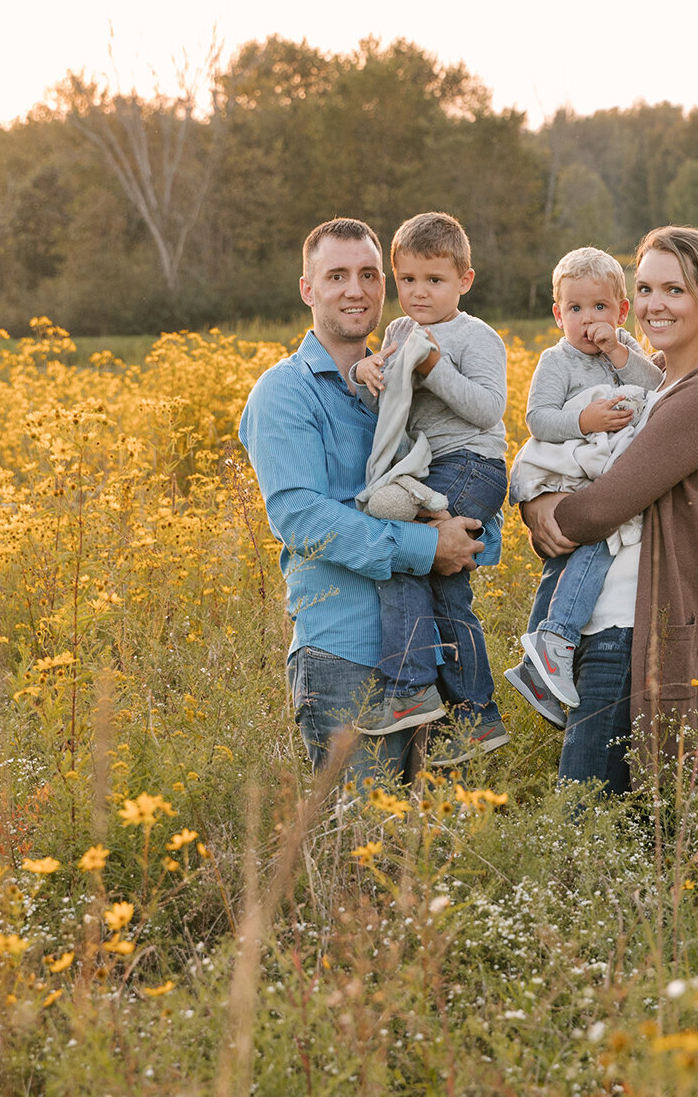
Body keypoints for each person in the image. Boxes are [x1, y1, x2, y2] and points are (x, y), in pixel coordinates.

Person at [239, 217, 485, 788]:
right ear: (308, 289)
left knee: (425, 861)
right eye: (337, 275)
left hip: (429, 656)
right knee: (364, 857)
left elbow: (456, 471)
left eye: (369, 274)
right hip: (345, 655)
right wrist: (428, 547)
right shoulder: (286, 390)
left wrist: (476, 532)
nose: (356, 289)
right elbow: (299, 514)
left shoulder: (402, 379)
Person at [518, 226, 698, 795]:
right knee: (610, 824)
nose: (654, 305)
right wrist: (539, 504)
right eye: (645, 288)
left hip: (637, 628)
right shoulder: (657, 377)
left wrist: (542, 505)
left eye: (673, 290)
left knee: (585, 822)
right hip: (611, 620)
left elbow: (600, 509)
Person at [346, 212, 510, 763]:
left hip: (471, 465)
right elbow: (390, 401)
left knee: (407, 557)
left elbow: (488, 410)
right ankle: (470, 717)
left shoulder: (475, 336)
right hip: (425, 468)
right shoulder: (396, 333)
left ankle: (410, 688)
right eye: (409, 280)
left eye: (434, 280)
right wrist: (363, 375)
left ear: (464, 279)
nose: (419, 293)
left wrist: (434, 361)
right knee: (439, 584)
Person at [505, 247, 664, 725]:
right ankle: (552, 641)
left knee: (569, 562)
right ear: (558, 315)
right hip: (569, 468)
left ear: (621, 312)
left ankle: (540, 666)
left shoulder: (627, 353)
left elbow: (657, 386)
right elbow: (538, 419)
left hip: (601, 472)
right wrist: (583, 419)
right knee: (579, 552)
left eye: (599, 308)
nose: (587, 320)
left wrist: (619, 350)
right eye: (575, 309)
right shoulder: (557, 361)